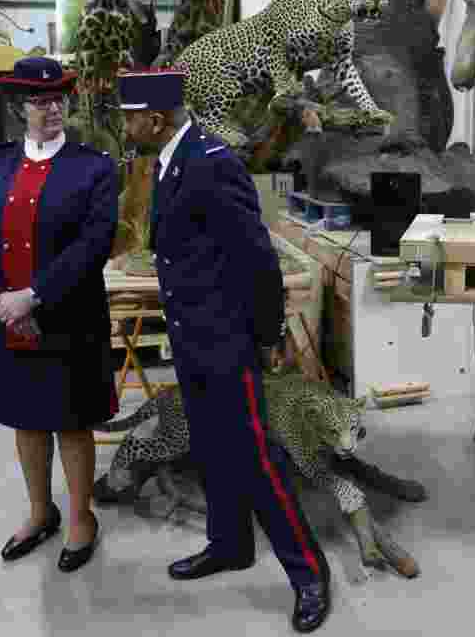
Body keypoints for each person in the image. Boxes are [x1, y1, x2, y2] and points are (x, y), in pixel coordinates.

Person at [118, 67, 332, 634]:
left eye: (130, 116)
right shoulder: (170, 160)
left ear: (156, 119)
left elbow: (257, 259)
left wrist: (266, 337)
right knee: (211, 446)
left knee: (257, 457)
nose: (126, 125)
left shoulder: (212, 165)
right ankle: (229, 544)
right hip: (192, 337)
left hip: (225, 340)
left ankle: (309, 573)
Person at [0, 56, 119, 573]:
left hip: (68, 318)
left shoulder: (93, 167)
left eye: (58, 98)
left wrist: (35, 296)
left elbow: (94, 244)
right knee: (25, 420)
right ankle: (40, 512)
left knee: (71, 423)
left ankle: (80, 519)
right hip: (6, 320)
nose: (52, 108)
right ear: (19, 106)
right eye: (40, 100)